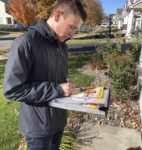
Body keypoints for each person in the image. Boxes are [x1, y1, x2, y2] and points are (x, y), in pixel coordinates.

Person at [3, 0, 87, 149]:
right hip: (38, 129)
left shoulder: (62, 46)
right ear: (57, 15)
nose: (72, 34)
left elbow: (59, 81)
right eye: (72, 27)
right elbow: (12, 89)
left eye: (76, 30)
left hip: (59, 121)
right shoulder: (25, 43)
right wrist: (57, 89)